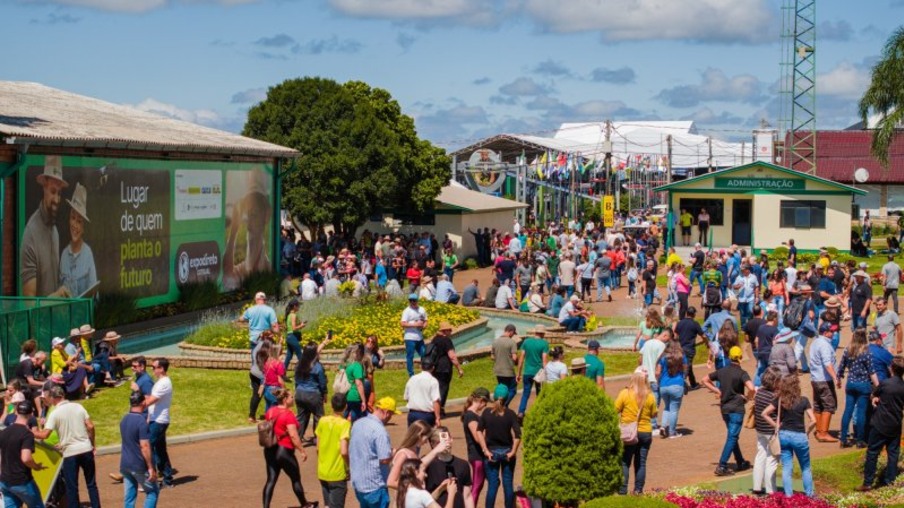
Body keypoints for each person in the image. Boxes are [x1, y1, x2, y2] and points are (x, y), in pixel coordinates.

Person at [33, 385, 100, 508]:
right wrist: (92, 443)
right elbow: (90, 426)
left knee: (72, 487)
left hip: (70, 453)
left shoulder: (55, 413)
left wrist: (30, 431)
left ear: (54, 398)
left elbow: (44, 435)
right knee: (91, 484)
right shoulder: (79, 406)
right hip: (85, 449)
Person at [701, 346, 755, 476]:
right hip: (737, 408)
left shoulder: (722, 371)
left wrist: (718, 391)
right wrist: (747, 398)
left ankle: (740, 461)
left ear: (729, 357)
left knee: (732, 436)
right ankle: (722, 465)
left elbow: (704, 380)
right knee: (732, 436)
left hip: (724, 409)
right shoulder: (742, 373)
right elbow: (752, 388)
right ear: (741, 358)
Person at [21, 156, 70, 297]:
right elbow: (29, 304)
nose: (56, 199)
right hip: (40, 320)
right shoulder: (30, 234)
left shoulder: (54, 231)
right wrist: (56, 297)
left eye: (59, 193)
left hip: (55, 318)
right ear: (44, 187)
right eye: (53, 191)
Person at [762, 374, 817, 497]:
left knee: (787, 467)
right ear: (796, 386)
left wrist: (776, 426)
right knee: (805, 467)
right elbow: (813, 420)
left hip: (784, 435)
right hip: (799, 436)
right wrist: (807, 432)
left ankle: (789, 496)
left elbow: (764, 413)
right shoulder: (803, 400)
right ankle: (809, 494)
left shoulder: (780, 400)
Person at [261, 388, 314, 508]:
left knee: (271, 480)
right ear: (285, 400)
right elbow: (294, 436)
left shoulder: (270, 411)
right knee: (295, 479)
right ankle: (305, 504)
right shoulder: (288, 415)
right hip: (284, 451)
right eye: (291, 397)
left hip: (270, 450)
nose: (293, 399)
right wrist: (302, 450)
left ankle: (265, 506)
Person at [858, 356, 904, 491]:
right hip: (895, 423)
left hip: (880, 423)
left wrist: (875, 399)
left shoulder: (885, 384)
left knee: (872, 452)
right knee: (893, 454)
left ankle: (868, 482)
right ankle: (890, 481)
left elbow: (874, 394)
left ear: (891, 369)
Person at [350, 397, 400, 508]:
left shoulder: (357, 424)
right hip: (375, 486)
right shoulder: (380, 431)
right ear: (386, 412)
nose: (390, 417)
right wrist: (394, 452)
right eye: (391, 414)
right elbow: (384, 459)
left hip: (359, 483)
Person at [615, 367, 657, 495]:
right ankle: (638, 490)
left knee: (625, 461)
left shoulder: (625, 393)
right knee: (641, 462)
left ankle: (623, 490)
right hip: (645, 432)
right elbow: (654, 414)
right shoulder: (650, 396)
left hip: (629, 432)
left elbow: (615, 409)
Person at [478, 384, 521, 508]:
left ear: (494, 396)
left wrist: (485, 449)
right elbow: (518, 434)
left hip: (491, 452)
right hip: (507, 451)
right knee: (508, 484)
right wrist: (513, 451)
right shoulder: (510, 414)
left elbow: (479, 431)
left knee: (492, 485)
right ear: (507, 398)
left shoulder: (486, 413)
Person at [0, 400, 46, 508]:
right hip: (21, 481)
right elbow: (26, 458)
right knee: (37, 505)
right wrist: (36, 466)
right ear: (31, 414)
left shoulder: (4, 432)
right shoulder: (27, 434)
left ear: (16, 412)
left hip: (5, 481)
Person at [837, 328, 878, 448]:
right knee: (861, 413)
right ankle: (860, 440)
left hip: (850, 384)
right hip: (863, 385)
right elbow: (872, 372)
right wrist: (879, 386)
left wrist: (838, 379)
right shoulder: (866, 352)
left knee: (847, 411)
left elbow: (841, 367)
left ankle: (843, 439)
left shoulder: (848, 350)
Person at [119, 391, 158, 508]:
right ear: (142, 403)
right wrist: (151, 467)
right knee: (152, 492)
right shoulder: (141, 421)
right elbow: (144, 446)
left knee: (130, 497)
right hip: (138, 465)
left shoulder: (124, 419)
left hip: (125, 465)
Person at [60, 182, 98, 298]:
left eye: (79, 221)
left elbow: (94, 296)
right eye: (73, 218)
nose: (75, 225)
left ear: (83, 228)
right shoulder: (64, 255)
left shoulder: (88, 254)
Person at [317, 394, 352, 508]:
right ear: (345, 406)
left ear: (331, 406)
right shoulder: (345, 424)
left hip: (323, 471)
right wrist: (349, 467)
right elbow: (344, 451)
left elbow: (317, 447)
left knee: (327, 505)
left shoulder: (322, 421)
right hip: (337, 473)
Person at [425, 426, 473, 508]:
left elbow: (467, 496)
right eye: (439, 442)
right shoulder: (427, 466)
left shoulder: (463, 465)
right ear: (432, 444)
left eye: (446, 440)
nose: (444, 444)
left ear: (451, 439)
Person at [145, 358, 174, 487]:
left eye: (154, 367)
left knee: (148, 448)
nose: (152, 369)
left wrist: (137, 403)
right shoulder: (161, 382)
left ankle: (152, 479)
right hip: (156, 419)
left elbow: (151, 400)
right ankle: (167, 479)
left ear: (161, 369)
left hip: (159, 421)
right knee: (160, 450)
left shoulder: (164, 383)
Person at [751, 367, 780, 496]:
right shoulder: (774, 396)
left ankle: (757, 486)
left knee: (760, 455)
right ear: (775, 382)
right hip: (771, 430)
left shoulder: (759, 393)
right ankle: (771, 489)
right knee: (772, 459)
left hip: (760, 429)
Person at [809, 323, 840, 443]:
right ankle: (823, 433)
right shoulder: (825, 345)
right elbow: (827, 363)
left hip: (815, 379)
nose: (833, 333)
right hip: (824, 380)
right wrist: (835, 377)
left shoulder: (815, 342)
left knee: (818, 405)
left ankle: (819, 430)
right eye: (831, 331)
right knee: (829, 405)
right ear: (825, 332)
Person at [461, 388, 489, 507]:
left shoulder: (472, 414)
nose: (485, 406)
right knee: (476, 486)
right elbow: (478, 438)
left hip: (477, 455)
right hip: (476, 455)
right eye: (485, 403)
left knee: (479, 485)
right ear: (481, 401)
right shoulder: (471, 416)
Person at [295, 343, 328, 442]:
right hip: (313, 394)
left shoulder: (299, 364)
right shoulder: (317, 366)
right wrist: (325, 393)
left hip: (300, 393)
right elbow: (322, 383)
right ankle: (318, 439)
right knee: (318, 416)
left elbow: (296, 380)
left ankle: (297, 438)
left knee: (301, 417)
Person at [431, 322, 464, 415]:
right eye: (449, 330)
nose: (451, 331)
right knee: (443, 388)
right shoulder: (446, 340)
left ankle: (435, 408)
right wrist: (459, 368)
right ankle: (439, 409)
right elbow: (452, 356)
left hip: (435, 367)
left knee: (436, 388)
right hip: (444, 368)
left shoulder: (434, 339)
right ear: (444, 331)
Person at [656, 340, 687, 439]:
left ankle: (663, 426)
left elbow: (658, 372)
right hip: (677, 385)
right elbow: (686, 369)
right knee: (674, 410)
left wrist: (658, 381)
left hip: (663, 385)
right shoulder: (682, 356)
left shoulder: (663, 357)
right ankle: (672, 432)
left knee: (667, 407)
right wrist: (683, 378)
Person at [639, 330, 669, 429]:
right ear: (665, 335)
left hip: (644, 376)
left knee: (644, 399)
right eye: (667, 339)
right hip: (654, 377)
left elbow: (640, 359)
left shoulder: (647, 342)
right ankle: (652, 424)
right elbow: (661, 362)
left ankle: (643, 421)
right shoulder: (662, 346)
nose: (667, 341)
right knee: (655, 401)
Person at [675, 306, 705, 389]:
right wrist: (704, 342)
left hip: (680, 348)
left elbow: (676, 336)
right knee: (687, 366)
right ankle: (680, 383)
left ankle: (693, 384)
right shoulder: (695, 324)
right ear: (694, 314)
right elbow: (704, 336)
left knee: (688, 365)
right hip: (689, 349)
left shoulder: (680, 323)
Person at [491, 324, 519, 408]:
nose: (513, 335)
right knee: (512, 390)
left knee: (502, 390)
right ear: (511, 332)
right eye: (513, 334)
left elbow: (492, 357)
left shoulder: (495, 341)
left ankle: (500, 404)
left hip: (498, 371)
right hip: (508, 371)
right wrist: (517, 361)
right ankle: (503, 405)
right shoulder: (512, 342)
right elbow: (514, 358)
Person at [401, 294, 428, 377]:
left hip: (419, 337)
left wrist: (424, 325)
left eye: (414, 300)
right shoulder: (407, 311)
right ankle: (411, 374)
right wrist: (415, 324)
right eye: (410, 300)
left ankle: (425, 371)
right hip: (410, 337)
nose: (412, 302)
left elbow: (426, 320)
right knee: (410, 356)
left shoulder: (422, 309)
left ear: (417, 301)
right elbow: (402, 323)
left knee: (424, 354)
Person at [343, 344, 368, 423]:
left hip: (346, 394)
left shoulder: (346, 365)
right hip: (355, 395)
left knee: (345, 415)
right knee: (356, 417)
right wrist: (364, 400)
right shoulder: (356, 366)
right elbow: (359, 384)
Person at [753, 310, 779, 387]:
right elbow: (774, 343)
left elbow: (756, 340)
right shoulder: (774, 329)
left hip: (761, 352)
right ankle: (770, 386)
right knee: (772, 371)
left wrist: (759, 350)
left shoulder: (761, 327)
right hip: (769, 353)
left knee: (760, 370)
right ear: (774, 319)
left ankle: (756, 386)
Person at [284, 299, 305, 370]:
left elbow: (290, 328)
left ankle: (282, 373)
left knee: (289, 356)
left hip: (289, 337)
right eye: (298, 305)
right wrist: (301, 326)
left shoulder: (289, 315)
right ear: (294, 306)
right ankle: (305, 373)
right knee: (300, 354)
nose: (299, 307)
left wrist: (300, 325)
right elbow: (294, 328)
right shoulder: (293, 315)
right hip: (292, 337)